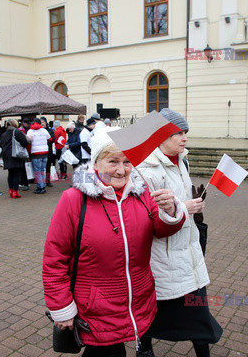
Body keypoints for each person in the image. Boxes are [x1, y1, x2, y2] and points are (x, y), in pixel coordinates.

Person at [43, 128, 186, 357]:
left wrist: (170, 211)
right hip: (96, 308)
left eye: (128, 161)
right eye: (113, 161)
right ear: (97, 163)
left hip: (137, 300)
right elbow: (55, 258)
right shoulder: (74, 200)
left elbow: (161, 230)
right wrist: (61, 306)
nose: (122, 170)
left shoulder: (141, 192)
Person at [136, 109, 223, 357]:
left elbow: (179, 201)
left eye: (185, 132)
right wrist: (184, 207)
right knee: (155, 309)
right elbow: (146, 218)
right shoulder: (147, 169)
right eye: (177, 133)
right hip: (163, 257)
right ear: (160, 136)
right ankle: (144, 345)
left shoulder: (182, 160)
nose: (184, 138)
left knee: (198, 311)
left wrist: (193, 204)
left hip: (188, 251)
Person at [0, 119, 30, 199]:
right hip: (15, 155)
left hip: (6, 155)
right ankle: (15, 192)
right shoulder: (17, 132)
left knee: (10, 173)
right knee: (16, 174)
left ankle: (11, 191)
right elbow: (24, 142)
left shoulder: (4, 134)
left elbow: (1, 144)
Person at [26, 118, 52, 194]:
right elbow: (50, 139)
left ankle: (41, 187)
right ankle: (42, 185)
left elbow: (27, 141)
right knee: (42, 170)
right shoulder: (44, 130)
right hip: (45, 153)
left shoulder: (30, 131)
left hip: (35, 153)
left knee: (37, 171)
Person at [40, 117, 56, 187]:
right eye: (40, 122)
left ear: (46, 122)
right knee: (40, 168)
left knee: (48, 167)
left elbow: (53, 139)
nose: (42, 123)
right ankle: (40, 181)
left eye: (43, 122)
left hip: (48, 151)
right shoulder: (38, 131)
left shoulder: (50, 131)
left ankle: (48, 181)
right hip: (40, 151)